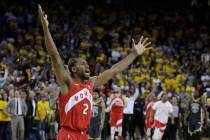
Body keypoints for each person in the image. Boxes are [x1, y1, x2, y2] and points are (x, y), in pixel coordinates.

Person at [38, 4, 151, 140]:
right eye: (82, 64)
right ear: (73, 69)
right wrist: (45, 29)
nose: (87, 66)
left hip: (84, 135)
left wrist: (133, 54)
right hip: (68, 134)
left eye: (87, 64)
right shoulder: (67, 83)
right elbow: (55, 57)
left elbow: (114, 70)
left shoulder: (91, 83)